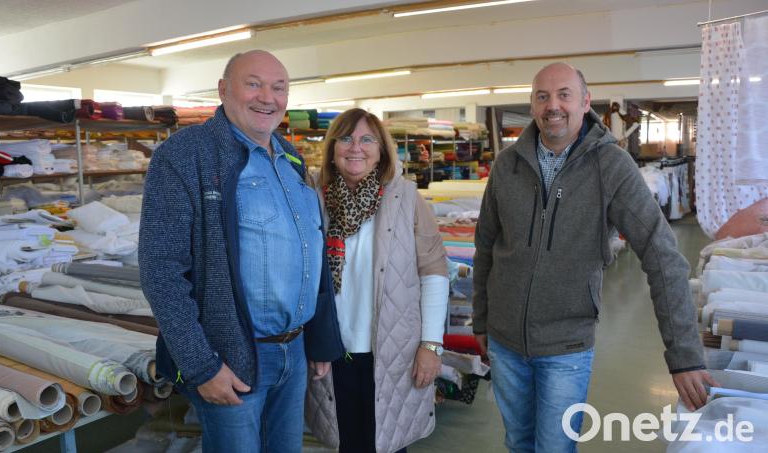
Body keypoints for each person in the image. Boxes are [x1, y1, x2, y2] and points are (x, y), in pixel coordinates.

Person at [472, 62, 716, 452]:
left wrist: (685, 356)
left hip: (566, 346)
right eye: (543, 96)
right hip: (504, 342)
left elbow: (662, 256)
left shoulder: (611, 166)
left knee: (554, 447)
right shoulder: (507, 166)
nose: (553, 105)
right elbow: (485, 248)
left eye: (564, 94)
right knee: (517, 442)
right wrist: (481, 321)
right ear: (533, 105)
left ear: (585, 102)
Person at [139, 50, 344, 453]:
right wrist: (201, 365)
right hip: (231, 357)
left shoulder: (290, 159)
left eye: (278, 87)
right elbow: (160, 270)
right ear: (223, 89)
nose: (267, 97)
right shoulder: (185, 156)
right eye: (253, 83)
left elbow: (310, 250)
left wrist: (320, 338)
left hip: (294, 351)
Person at [305, 108, 449, 453]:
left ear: (381, 149)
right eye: (346, 138)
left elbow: (433, 272)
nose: (356, 147)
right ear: (332, 148)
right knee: (348, 442)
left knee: (387, 441)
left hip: (392, 351)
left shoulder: (407, 199)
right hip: (331, 349)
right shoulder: (313, 198)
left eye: (367, 138)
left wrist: (431, 345)